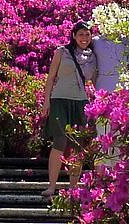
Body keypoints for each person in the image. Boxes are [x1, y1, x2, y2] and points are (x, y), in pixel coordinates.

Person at [40, 22, 97, 198]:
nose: (84, 38)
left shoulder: (93, 56)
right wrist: (46, 102)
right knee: (59, 142)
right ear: (73, 35)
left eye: (87, 35)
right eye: (81, 34)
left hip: (80, 102)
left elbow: (94, 81)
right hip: (59, 100)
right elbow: (50, 78)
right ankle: (51, 186)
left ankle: (73, 187)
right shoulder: (62, 52)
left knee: (77, 146)